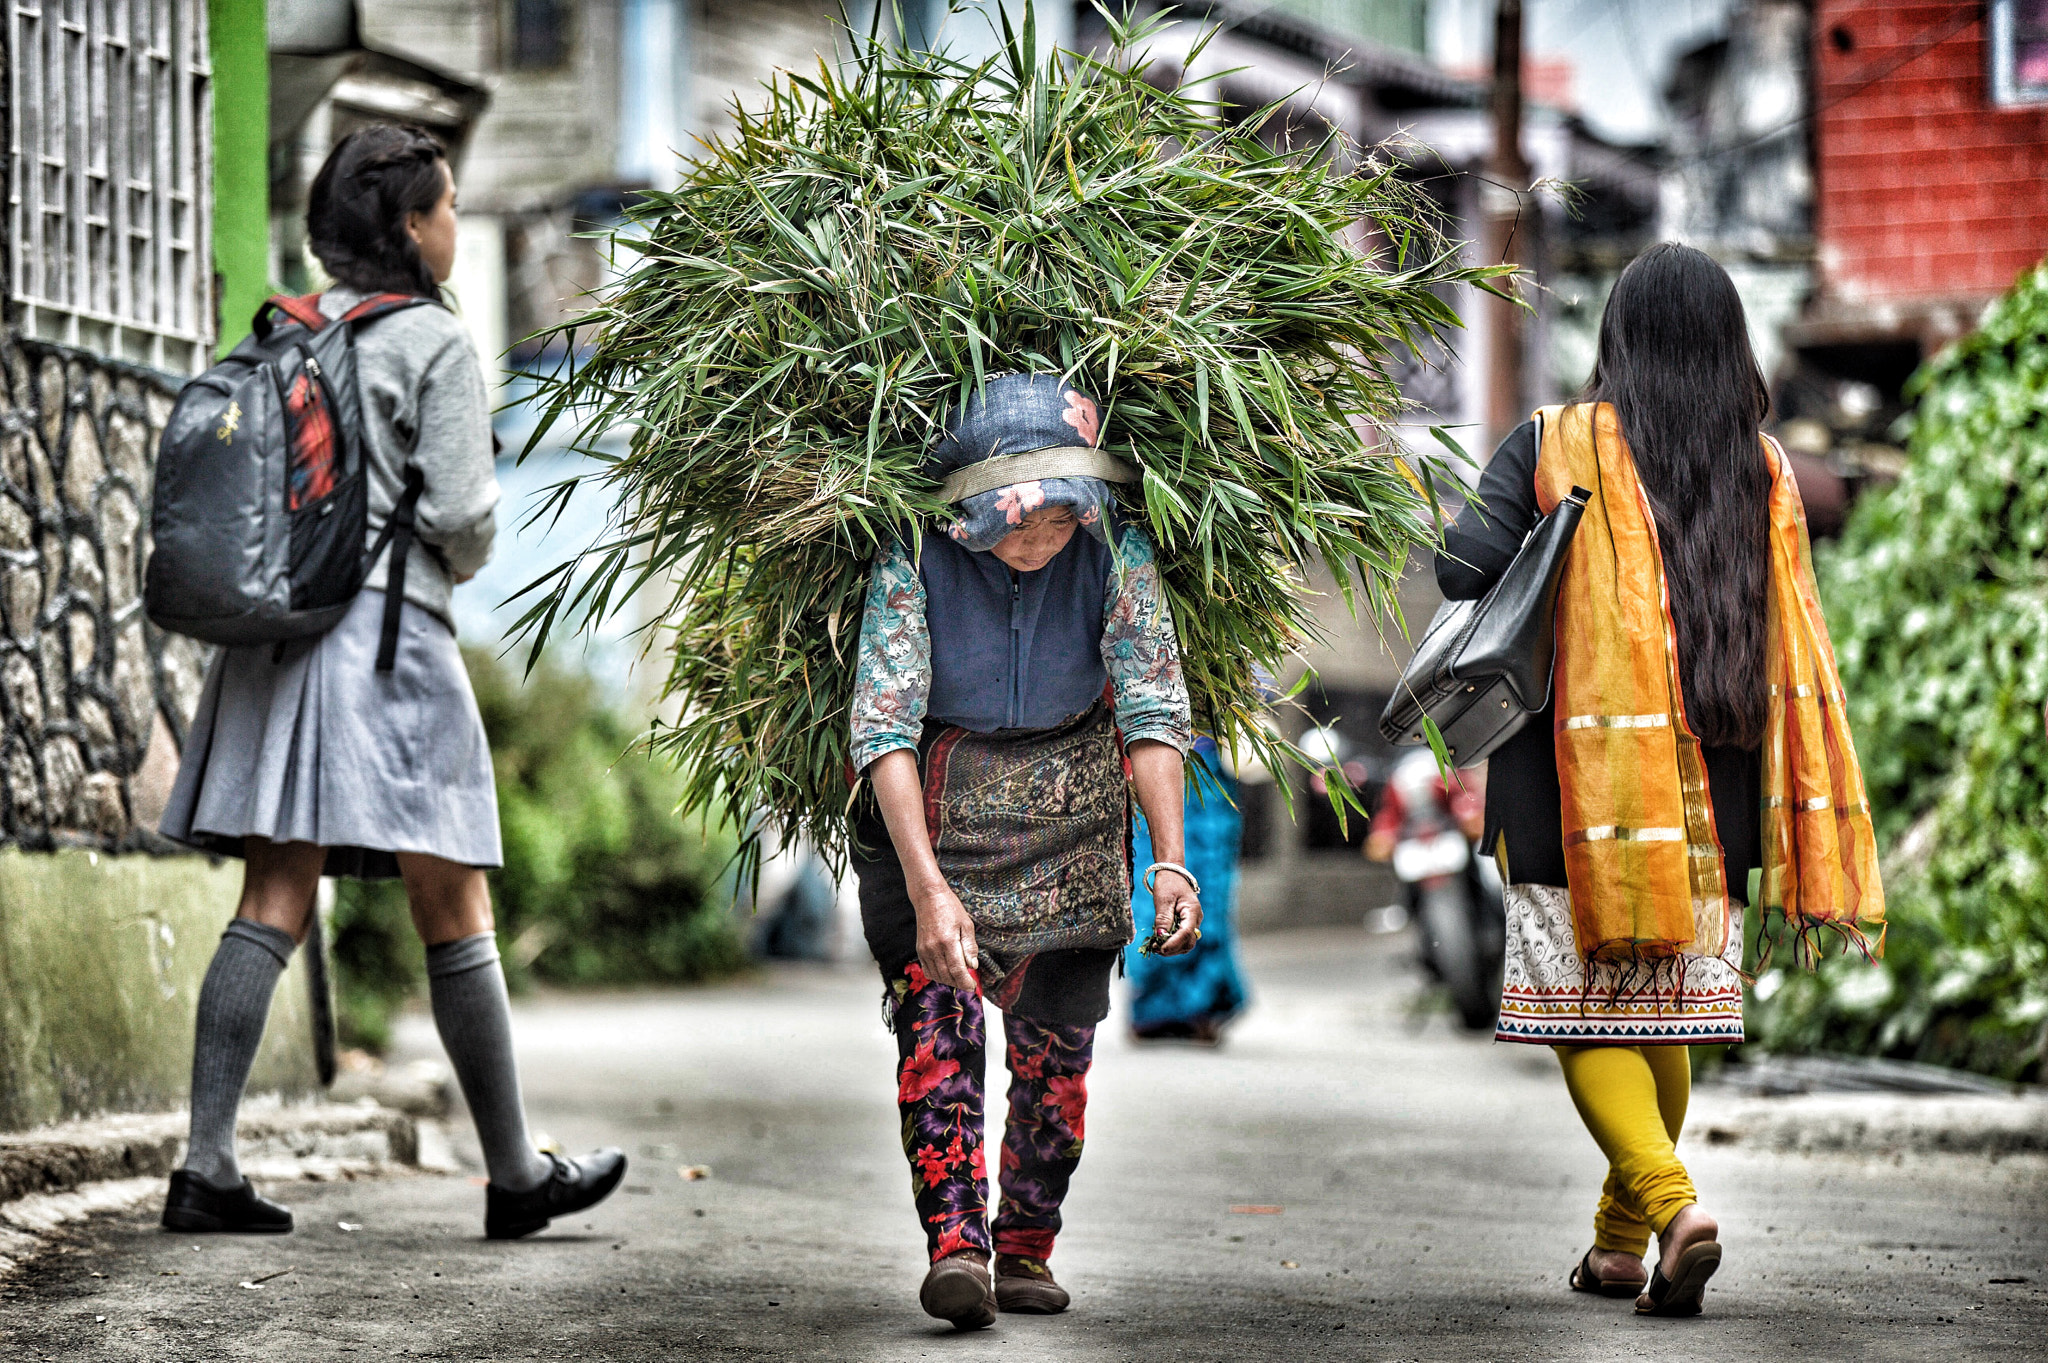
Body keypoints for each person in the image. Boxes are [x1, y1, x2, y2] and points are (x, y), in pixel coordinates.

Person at [157, 124, 624, 1239]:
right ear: (411, 228)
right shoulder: (432, 342)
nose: (458, 223)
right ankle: (515, 1176)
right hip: (387, 647)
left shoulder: (293, 330)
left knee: (272, 896)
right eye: (449, 205)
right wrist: (454, 553)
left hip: (279, 642)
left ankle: (204, 1163)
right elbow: (462, 517)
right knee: (454, 899)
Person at [1436, 243, 1882, 1318]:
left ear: (1615, 341)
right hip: (1714, 796)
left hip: (1563, 790)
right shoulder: (1764, 469)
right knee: (1663, 1018)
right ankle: (1616, 1246)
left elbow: (1460, 570)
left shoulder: (1551, 444)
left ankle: (1674, 1208)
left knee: (1587, 1021)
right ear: (1731, 349)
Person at [848, 373, 1199, 1329]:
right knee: (938, 1035)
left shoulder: (1113, 552)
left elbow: (1153, 702)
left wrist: (1169, 859)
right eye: (1013, 521)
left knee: (1057, 1056)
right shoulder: (909, 556)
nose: (1036, 540)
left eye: (1054, 520)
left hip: (1071, 814)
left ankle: (1027, 1243)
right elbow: (882, 726)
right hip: (931, 814)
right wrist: (927, 890)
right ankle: (956, 1248)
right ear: (966, 507)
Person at [1124, 736, 1250, 1044]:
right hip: (1152, 764)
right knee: (1149, 891)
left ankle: (1200, 1006)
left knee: (1205, 890)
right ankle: (1152, 1007)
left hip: (1204, 773)